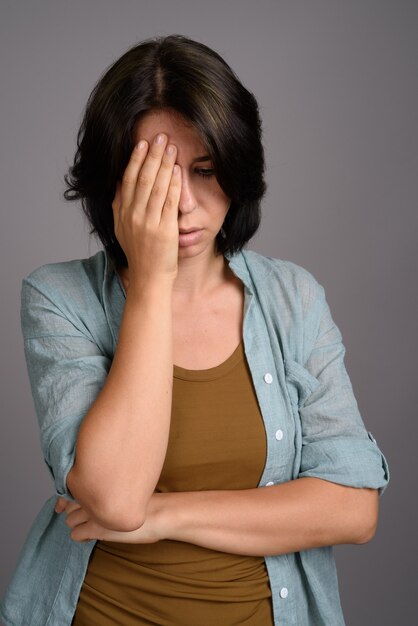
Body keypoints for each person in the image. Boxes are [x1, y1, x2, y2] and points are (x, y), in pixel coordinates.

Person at [0, 35, 389, 626]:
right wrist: (154, 284)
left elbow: (353, 509)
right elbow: (115, 498)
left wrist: (163, 517)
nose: (181, 202)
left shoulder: (293, 298)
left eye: (205, 171)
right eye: (152, 176)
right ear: (113, 182)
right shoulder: (59, 297)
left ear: (237, 171)